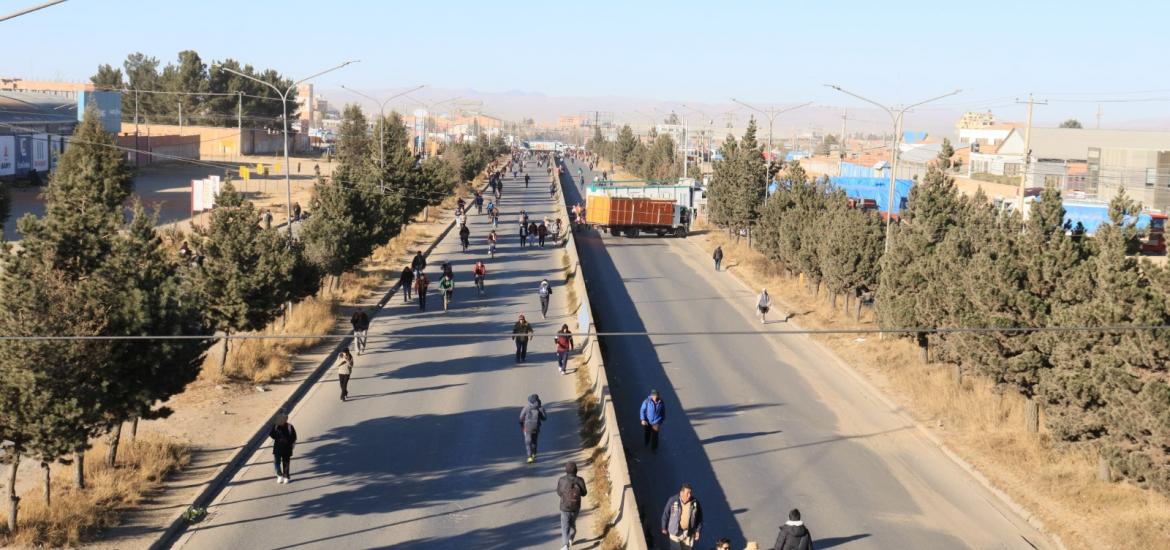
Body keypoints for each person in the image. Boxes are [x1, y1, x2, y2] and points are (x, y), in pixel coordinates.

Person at [557, 461, 588, 549]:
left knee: (565, 525)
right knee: (572, 522)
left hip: (564, 507)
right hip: (576, 507)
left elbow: (559, 492)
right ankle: (571, 535)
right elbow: (584, 493)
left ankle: (565, 545)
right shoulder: (580, 480)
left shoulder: (562, 480)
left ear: (566, 470)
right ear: (576, 470)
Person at [661, 483, 703, 550]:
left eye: (690, 493)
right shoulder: (673, 500)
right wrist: (664, 527)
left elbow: (699, 517)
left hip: (688, 533)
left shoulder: (695, 502)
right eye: (688, 493)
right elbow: (666, 514)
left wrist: (698, 530)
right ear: (681, 493)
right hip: (675, 532)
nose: (689, 495)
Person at [269, 413, 297, 484]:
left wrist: (287, 442)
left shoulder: (290, 427)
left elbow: (294, 437)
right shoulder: (275, 426)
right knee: (276, 462)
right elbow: (271, 434)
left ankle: (286, 476)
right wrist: (278, 438)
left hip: (287, 448)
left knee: (286, 463)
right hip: (277, 448)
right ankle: (279, 475)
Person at [518, 393, 547, 463]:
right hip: (536, 427)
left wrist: (522, 425)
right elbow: (544, 418)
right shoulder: (540, 408)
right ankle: (534, 454)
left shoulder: (526, 407)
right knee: (534, 441)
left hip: (527, 427)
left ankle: (529, 457)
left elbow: (521, 418)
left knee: (528, 442)